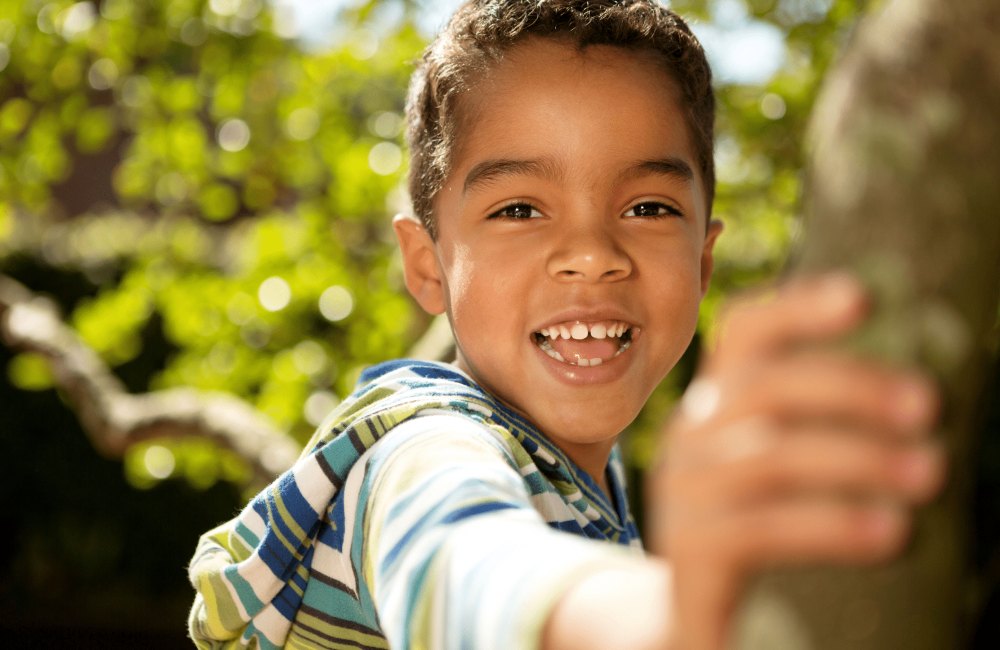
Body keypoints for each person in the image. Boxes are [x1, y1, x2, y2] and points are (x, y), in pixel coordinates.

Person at [188, 1, 945, 648]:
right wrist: (656, 618)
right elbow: (463, 562)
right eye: (518, 209)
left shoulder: (590, 476)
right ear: (427, 265)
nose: (591, 254)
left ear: (704, 259)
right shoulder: (420, 449)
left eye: (649, 208)